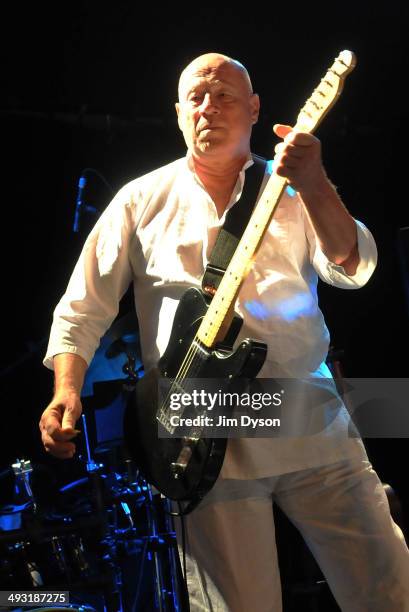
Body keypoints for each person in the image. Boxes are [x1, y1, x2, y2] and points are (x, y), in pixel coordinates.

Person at [40, 52, 409, 611]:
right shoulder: (140, 201)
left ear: (255, 109)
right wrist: (65, 388)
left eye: (225, 96)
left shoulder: (295, 191)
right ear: (179, 112)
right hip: (200, 430)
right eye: (196, 97)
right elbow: (81, 306)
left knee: (388, 587)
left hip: (307, 416)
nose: (208, 106)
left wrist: (313, 182)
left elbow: (353, 267)